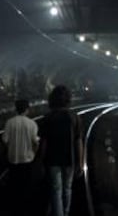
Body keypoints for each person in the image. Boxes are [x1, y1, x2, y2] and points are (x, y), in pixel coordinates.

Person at [39, 85, 83, 216]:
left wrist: (40, 161)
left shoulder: (48, 118)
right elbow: (78, 141)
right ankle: (66, 212)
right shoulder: (75, 117)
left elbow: (44, 142)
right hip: (70, 159)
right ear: (68, 99)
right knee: (67, 188)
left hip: (52, 159)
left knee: (56, 189)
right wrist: (80, 162)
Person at [2, 99, 39, 215]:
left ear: (16, 109)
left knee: (14, 186)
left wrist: (11, 148)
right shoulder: (32, 124)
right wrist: (34, 153)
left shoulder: (9, 122)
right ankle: (24, 209)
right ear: (27, 109)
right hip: (27, 160)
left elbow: (5, 140)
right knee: (26, 186)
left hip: (13, 159)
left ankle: (14, 208)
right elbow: (36, 142)